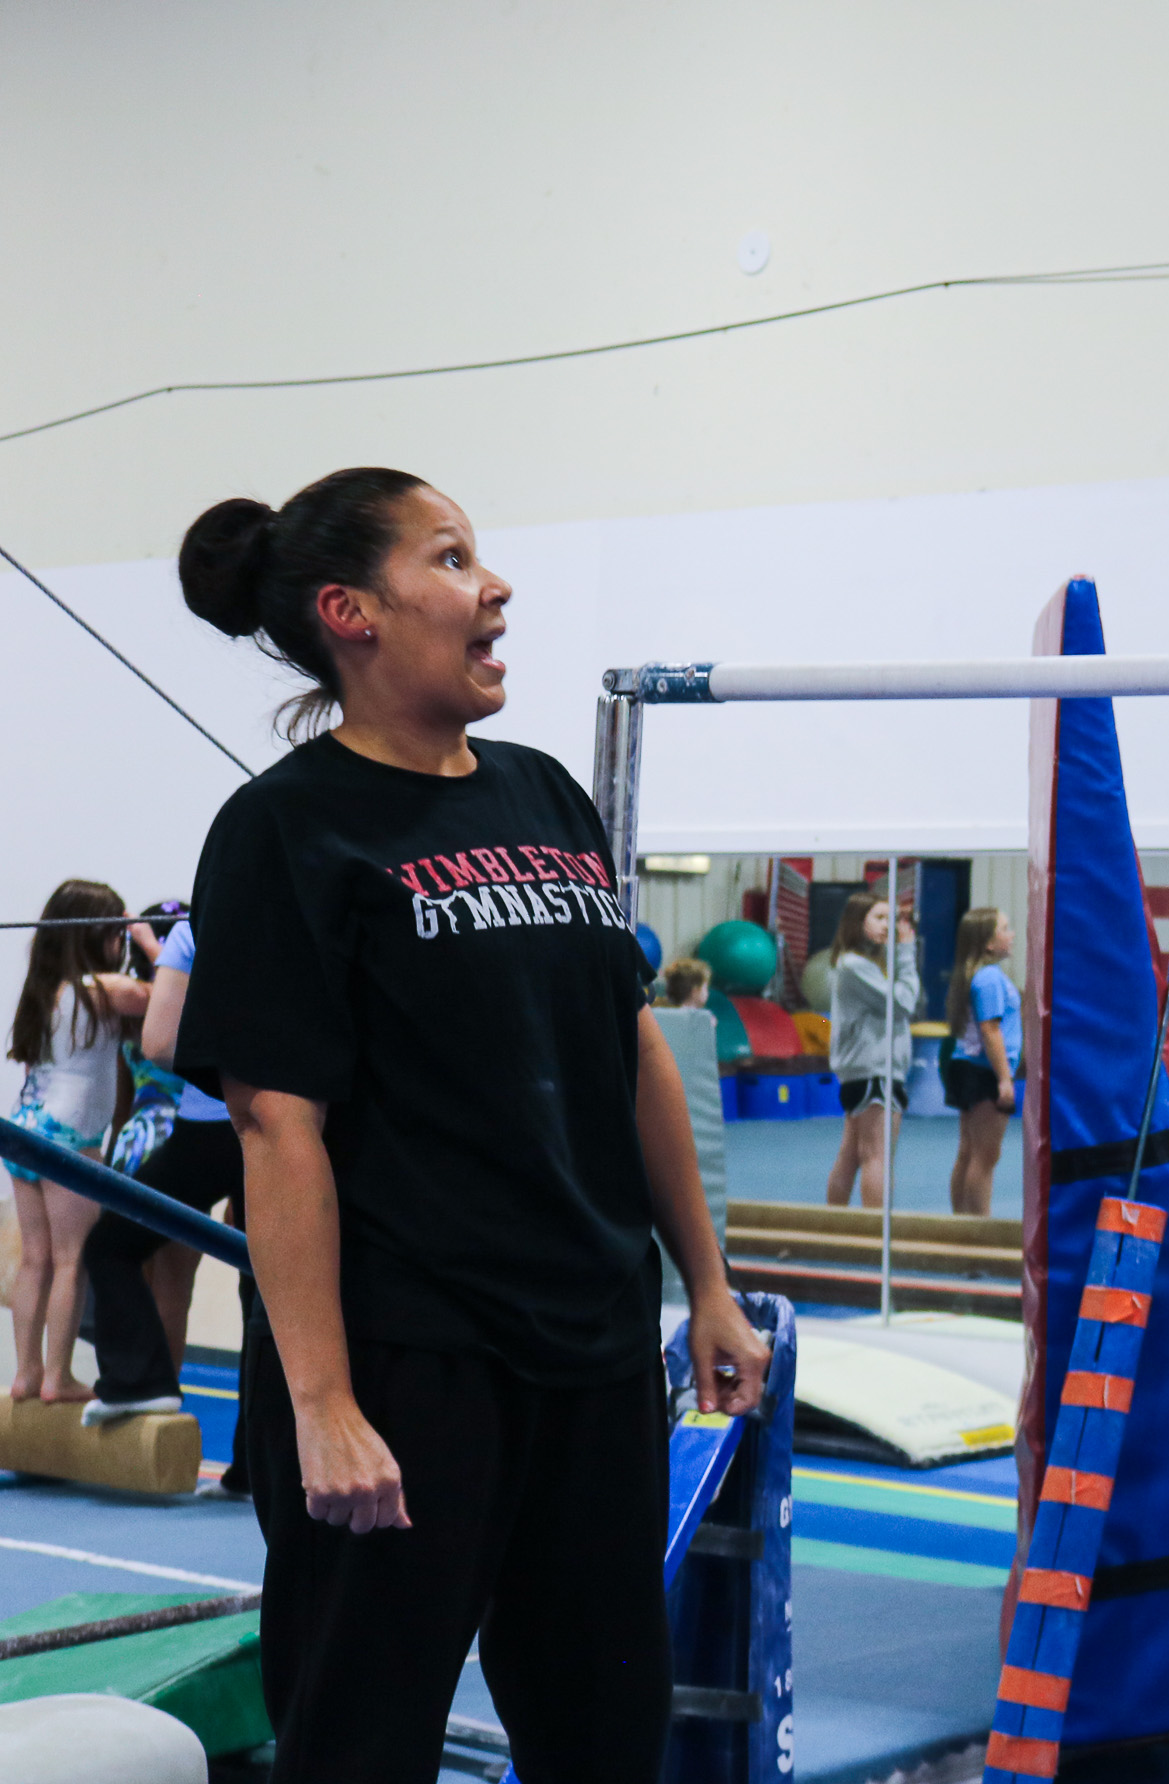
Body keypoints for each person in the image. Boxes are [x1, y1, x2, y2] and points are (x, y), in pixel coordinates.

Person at [170, 466, 768, 1784]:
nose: (493, 588)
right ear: (351, 612)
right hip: (409, 1362)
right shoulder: (285, 831)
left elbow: (628, 1053)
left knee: (603, 1730)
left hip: (594, 1347)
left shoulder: (548, 795)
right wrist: (321, 1403)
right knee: (363, 1737)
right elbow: (279, 1130)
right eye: (448, 561)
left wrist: (708, 1286)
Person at [83, 908, 258, 1489]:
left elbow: (159, 1043)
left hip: (208, 1128)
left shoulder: (192, 931)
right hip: (271, 1124)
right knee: (264, 1283)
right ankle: (256, 1460)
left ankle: (143, 1381)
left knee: (110, 1246)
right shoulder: (277, 919)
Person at [5, 881, 152, 1404]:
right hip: (70, 1138)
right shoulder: (100, 988)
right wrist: (150, 942)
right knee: (72, 1259)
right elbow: (166, 994)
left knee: (35, 1259)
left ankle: (26, 1373)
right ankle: (57, 1378)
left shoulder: (43, 990)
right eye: (116, 933)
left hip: (24, 1131)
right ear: (100, 933)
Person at [824, 892, 919, 1208]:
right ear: (856, 923)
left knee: (851, 1155)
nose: (887, 927)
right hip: (875, 1071)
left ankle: (832, 1227)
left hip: (865, 1070)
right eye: (879, 918)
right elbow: (903, 1003)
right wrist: (906, 951)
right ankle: (876, 1233)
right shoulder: (854, 966)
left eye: (891, 919)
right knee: (877, 1155)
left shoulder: (859, 964)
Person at [943, 908, 1021, 1216]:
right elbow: (991, 1030)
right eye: (1005, 928)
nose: (1011, 933)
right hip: (983, 1071)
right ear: (988, 943)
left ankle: (962, 1226)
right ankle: (979, 1229)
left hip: (968, 1067)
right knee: (985, 1156)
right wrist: (1004, 1078)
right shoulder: (989, 978)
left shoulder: (977, 974)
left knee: (968, 1152)